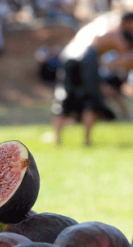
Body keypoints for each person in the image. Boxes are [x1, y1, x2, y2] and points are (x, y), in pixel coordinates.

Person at [52, 11, 133, 146]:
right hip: (87, 55)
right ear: (128, 23)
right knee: (91, 99)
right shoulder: (116, 32)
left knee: (64, 96)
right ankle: (86, 140)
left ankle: (57, 139)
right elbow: (125, 58)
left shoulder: (93, 26)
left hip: (69, 53)